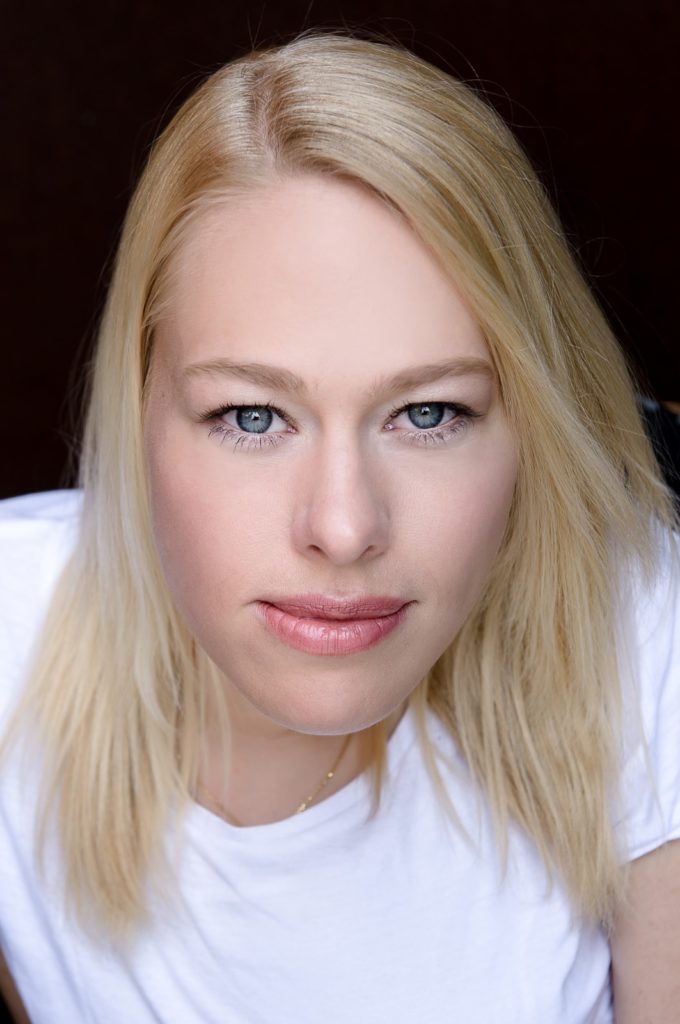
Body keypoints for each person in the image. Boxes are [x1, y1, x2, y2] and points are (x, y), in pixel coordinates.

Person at [1, 29, 679, 1023]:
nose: (344, 526)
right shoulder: (13, 632)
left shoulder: (636, 627)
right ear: (137, 411)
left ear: (529, 425)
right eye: (251, 416)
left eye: (428, 412)